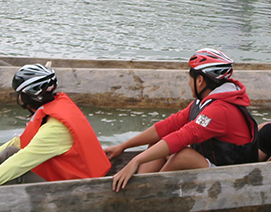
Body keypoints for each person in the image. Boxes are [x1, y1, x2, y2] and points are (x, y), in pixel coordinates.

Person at [107, 49, 257, 191]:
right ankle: (140, 188)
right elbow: (170, 125)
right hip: (213, 165)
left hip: (235, 177)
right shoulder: (204, 101)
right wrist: (123, 146)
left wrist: (136, 160)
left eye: (189, 78)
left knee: (183, 156)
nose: (188, 82)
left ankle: (149, 194)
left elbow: (185, 134)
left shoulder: (221, 109)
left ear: (199, 80)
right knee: (158, 142)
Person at [0, 65, 110, 188]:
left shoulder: (55, 129)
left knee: (14, 176)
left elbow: (20, 162)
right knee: (10, 152)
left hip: (76, 188)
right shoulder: (51, 110)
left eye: (20, 94)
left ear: (29, 97)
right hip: (62, 176)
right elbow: (19, 142)